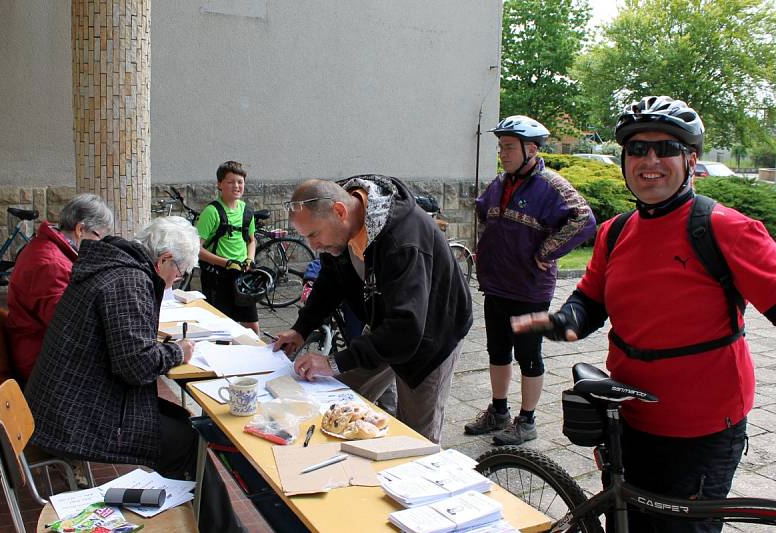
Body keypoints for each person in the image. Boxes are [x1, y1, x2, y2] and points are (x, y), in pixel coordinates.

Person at [512, 96, 776, 533]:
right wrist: (562, 323)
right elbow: (590, 301)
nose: (650, 160)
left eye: (666, 148)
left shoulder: (724, 228)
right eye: (637, 149)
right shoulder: (615, 232)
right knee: (630, 523)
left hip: (702, 427)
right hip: (630, 417)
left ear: (691, 159)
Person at [24, 216, 245, 533]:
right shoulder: (127, 280)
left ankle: (201, 520)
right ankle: (221, 529)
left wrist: (153, 347)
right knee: (189, 441)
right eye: (178, 276)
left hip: (64, 403)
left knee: (183, 422)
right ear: (164, 259)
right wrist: (177, 352)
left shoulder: (114, 265)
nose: (173, 284)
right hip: (74, 419)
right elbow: (136, 367)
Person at [272, 176, 472, 443]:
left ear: (340, 212)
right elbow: (331, 280)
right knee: (336, 402)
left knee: (413, 438)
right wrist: (301, 328)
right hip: (386, 323)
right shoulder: (342, 216)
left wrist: (333, 361)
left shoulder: (402, 240)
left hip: (431, 333)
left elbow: (407, 329)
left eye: (314, 235)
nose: (313, 246)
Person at [463, 116, 595, 445]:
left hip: (528, 289)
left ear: (531, 149)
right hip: (497, 285)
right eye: (501, 147)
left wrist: (547, 251)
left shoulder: (551, 185)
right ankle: (499, 411)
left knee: (528, 354)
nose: (502, 153)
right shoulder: (499, 183)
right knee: (497, 351)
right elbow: (483, 215)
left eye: (508, 147)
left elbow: (584, 219)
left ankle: (527, 420)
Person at [7, 193, 114, 383]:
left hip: (37, 352)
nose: (100, 246)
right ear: (80, 229)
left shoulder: (48, 249)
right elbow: (68, 327)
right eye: (100, 238)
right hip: (42, 366)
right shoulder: (51, 264)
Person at [197, 160, 259, 333]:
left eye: (240, 182)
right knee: (221, 326)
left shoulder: (246, 210)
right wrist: (225, 262)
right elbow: (196, 248)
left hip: (243, 276)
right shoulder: (212, 212)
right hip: (218, 277)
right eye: (230, 182)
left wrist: (250, 258)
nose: (236, 186)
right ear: (219, 184)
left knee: (252, 325)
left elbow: (251, 240)